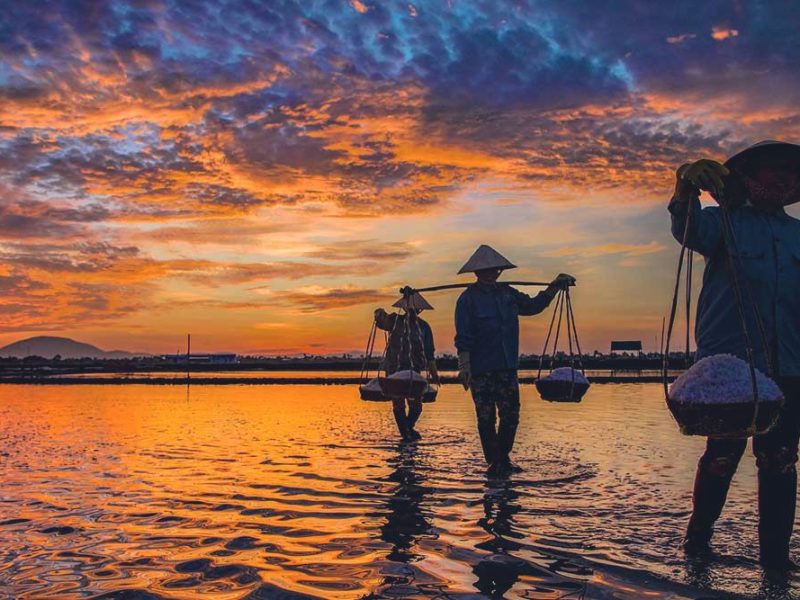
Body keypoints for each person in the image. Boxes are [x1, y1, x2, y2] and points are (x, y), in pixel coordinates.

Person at [669, 140, 800, 572]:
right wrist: (685, 182)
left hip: (790, 366)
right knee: (723, 456)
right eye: (771, 171)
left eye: (789, 172)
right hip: (734, 366)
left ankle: (776, 561)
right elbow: (686, 230)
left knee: (780, 460)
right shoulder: (722, 222)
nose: (782, 178)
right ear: (748, 179)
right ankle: (698, 541)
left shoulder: (797, 234)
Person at [454, 244, 574, 476]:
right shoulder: (467, 300)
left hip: (506, 366)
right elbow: (464, 337)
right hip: (480, 368)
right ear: (477, 273)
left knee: (511, 415)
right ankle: (495, 462)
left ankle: (500, 459)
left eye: (494, 270)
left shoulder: (508, 294)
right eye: (484, 271)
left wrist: (554, 287)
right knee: (485, 417)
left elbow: (533, 306)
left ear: (499, 271)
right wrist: (464, 366)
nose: (490, 274)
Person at [374, 292, 439, 441]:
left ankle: (407, 429)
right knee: (398, 402)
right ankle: (406, 434)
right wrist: (379, 314)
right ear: (404, 309)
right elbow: (381, 319)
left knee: (416, 405)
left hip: (414, 370)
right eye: (408, 309)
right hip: (394, 370)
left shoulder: (424, 327)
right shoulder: (395, 321)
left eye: (414, 310)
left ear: (419, 310)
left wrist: (434, 373)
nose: (411, 312)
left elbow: (429, 353)